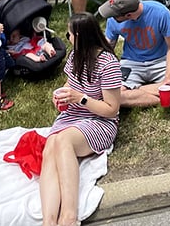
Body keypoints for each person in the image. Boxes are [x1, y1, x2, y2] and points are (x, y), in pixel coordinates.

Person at [40, 12, 121, 226]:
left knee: (63, 140)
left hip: (99, 121)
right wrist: (61, 96)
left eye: (69, 34)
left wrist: (81, 99)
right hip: (73, 115)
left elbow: (112, 109)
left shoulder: (108, 63)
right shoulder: (75, 56)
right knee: (51, 145)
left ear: (81, 36)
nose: (67, 37)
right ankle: (48, 221)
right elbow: (70, 84)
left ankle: (69, 216)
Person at [100, 0, 170, 116]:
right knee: (111, 95)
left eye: (115, 14)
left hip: (161, 61)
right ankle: (169, 100)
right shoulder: (113, 20)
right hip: (131, 64)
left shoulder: (160, 12)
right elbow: (108, 49)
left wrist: (168, 79)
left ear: (128, 15)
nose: (111, 17)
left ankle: (138, 92)